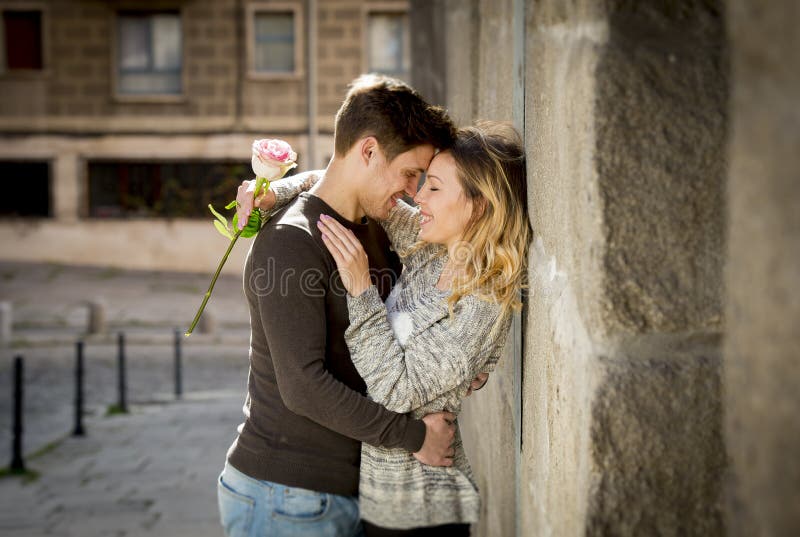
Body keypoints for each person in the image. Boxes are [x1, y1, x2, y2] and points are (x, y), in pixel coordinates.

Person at [217, 74, 482, 537]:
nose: (412, 191)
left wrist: (451, 365)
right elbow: (303, 385)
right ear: (368, 151)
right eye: (408, 174)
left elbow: (393, 337)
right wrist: (415, 437)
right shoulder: (290, 243)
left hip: (342, 491)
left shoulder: (376, 226)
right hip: (286, 494)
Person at [250, 122, 530, 535]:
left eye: (433, 187)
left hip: (420, 506)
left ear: (479, 205)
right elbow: (350, 186)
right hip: (378, 496)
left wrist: (361, 290)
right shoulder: (430, 248)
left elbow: (394, 390)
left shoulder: (482, 304)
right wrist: (278, 192)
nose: (418, 197)